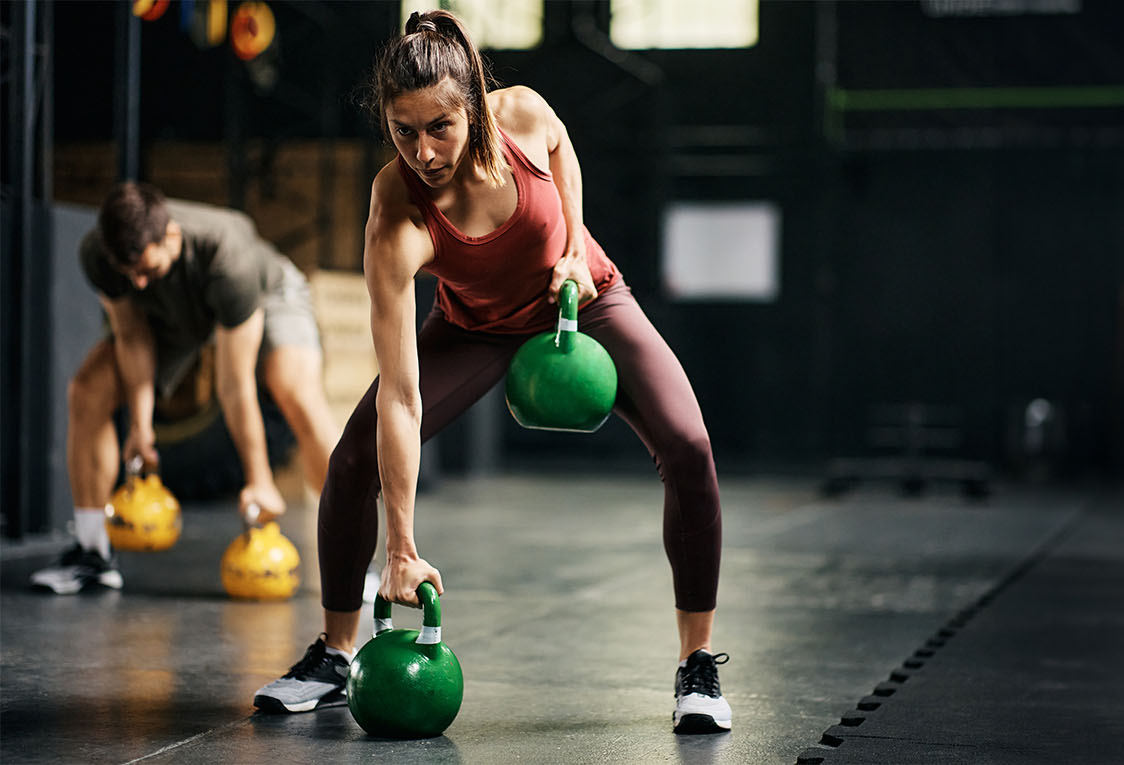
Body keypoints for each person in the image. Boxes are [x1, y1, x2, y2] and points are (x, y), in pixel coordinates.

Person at [253, 10, 731, 734]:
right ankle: (334, 652)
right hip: (475, 326)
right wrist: (402, 547)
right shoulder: (395, 216)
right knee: (353, 456)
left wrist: (573, 242)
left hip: (584, 297)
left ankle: (696, 665)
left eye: (438, 127)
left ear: (473, 105)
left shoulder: (524, 115)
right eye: (402, 130)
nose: (423, 151)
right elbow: (403, 399)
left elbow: (564, 148)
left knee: (690, 447)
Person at [29, 182, 340, 594]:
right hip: (173, 312)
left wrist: (258, 478)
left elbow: (234, 384)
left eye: (147, 270)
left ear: (171, 237)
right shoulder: (102, 255)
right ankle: (92, 554)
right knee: (87, 390)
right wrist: (141, 428)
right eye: (130, 274)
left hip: (264, 295)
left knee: (295, 390)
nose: (137, 283)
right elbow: (132, 336)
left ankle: (355, 557)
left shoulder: (229, 257)